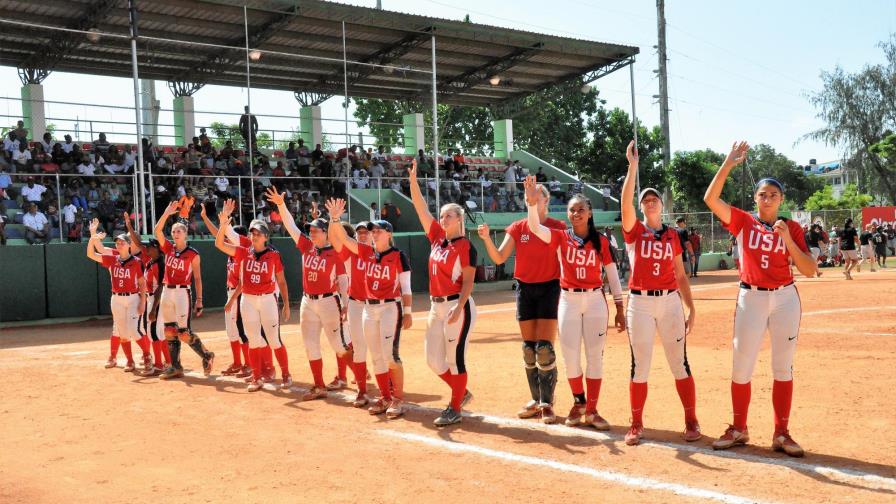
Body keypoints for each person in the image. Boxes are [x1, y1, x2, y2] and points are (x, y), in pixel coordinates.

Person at [704, 141, 816, 458]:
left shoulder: (792, 228)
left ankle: (781, 432)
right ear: (755, 198)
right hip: (751, 297)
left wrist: (787, 239)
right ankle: (739, 427)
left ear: (781, 200)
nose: (767, 199)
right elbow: (710, 199)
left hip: (784, 298)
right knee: (742, 364)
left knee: (783, 366)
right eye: (763, 194)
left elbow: (809, 269)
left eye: (773, 195)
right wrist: (728, 163)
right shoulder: (743, 221)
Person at [523, 175, 625, 430]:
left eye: (581, 210)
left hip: (595, 300)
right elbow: (535, 228)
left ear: (589, 213)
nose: (576, 214)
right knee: (570, 356)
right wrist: (532, 204)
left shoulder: (601, 241)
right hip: (568, 299)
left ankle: (592, 410)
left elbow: (613, 275)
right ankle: (579, 403)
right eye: (572, 210)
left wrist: (620, 308)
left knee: (594, 357)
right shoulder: (560, 237)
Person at [620, 141, 700, 446]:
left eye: (654, 199)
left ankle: (691, 420)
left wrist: (691, 307)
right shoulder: (634, 231)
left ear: (662, 206)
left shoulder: (673, 236)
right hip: (640, 302)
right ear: (642, 207)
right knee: (640, 364)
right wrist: (633, 167)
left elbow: (680, 275)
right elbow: (625, 204)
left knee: (679, 362)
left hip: (669, 301)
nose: (650, 202)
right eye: (646, 200)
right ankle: (636, 423)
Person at [477, 177, 566, 424]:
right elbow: (499, 258)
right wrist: (486, 239)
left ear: (546, 200)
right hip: (525, 289)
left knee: (544, 349)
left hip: (549, 288)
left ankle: (547, 402)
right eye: (529, 197)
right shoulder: (518, 227)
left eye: (537, 197)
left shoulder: (557, 226)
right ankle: (536, 399)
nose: (533, 200)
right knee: (529, 349)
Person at [265, 188, 361, 400]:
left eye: (316, 230)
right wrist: (281, 204)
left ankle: (361, 381)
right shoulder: (306, 246)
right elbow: (291, 226)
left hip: (329, 301)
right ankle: (319, 386)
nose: (312, 233)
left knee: (339, 346)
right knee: (310, 345)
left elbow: (343, 280)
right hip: (308, 302)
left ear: (326, 233)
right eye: (311, 230)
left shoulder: (336, 252)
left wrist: (346, 304)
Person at [326, 198, 413, 418]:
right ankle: (384, 397)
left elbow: (406, 288)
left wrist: (408, 312)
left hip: (390, 307)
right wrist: (335, 219)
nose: (374, 234)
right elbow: (344, 238)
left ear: (389, 234)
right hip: (368, 309)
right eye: (372, 232)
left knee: (389, 355)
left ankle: (398, 399)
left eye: (378, 231)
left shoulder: (398, 256)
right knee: (376, 356)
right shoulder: (365, 252)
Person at [408, 159, 477, 426]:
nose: (442, 219)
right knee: (433, 360)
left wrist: (459, 307)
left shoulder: (465, 246)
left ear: (459, 219)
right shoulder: (437, 238)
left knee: (455, 359)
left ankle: (455, 407)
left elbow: (468, 282)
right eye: (442, 216)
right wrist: (413, 183)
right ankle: (461, 392)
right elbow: (420, 209)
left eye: (448, 215)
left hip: (457, 305)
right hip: (435, 306)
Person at [215, 201, 292, 392]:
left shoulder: (274, 255)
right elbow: (219, 244)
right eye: (252, 233)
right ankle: (257, 378)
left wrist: (286, 304)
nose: (254, 235)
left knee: (273, 339)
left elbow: (282, 281)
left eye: (258, 233)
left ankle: (285, 374)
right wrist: (223, 224)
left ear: (266, 236)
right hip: (248, 300)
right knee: (254, 339)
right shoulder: (243, 252)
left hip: (267, 299)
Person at [153, 201, 214, 379]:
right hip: (167, 291)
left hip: (182, 292)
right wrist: (166, 213)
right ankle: (176, 366)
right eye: (173, 231)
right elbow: (157, 231)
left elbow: (197, 278)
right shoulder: (168, 248)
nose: (175, 234)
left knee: (183, 332)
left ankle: (206, 355)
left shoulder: (193, 254)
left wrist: (199, 300)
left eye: (179, 231)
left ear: (186, 234)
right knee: (169, 330)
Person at [200, 201, 254, 379]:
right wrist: (205, 218)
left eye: (233, 238)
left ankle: (248, 364)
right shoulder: (232, 252)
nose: (228, 240)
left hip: (239, 294)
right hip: (230, 292)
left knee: (241, 330)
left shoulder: (244, 252)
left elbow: (243, 282)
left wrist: (231, 300)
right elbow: (218, 235)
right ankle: (237, 362)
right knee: (231, 331)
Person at [86, 231, 147, 373]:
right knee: (121, 331)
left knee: (136, 330)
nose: (119, 244)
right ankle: (127, 359)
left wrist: (142, 301)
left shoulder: (138, 260)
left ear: (130, 244)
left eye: (122, 242)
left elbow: (142, 283)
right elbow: (93, 253)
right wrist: (93, 236)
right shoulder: (113, 258)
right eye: (117, 242)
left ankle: (146, 355)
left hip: (134, 297)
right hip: (117, 298)